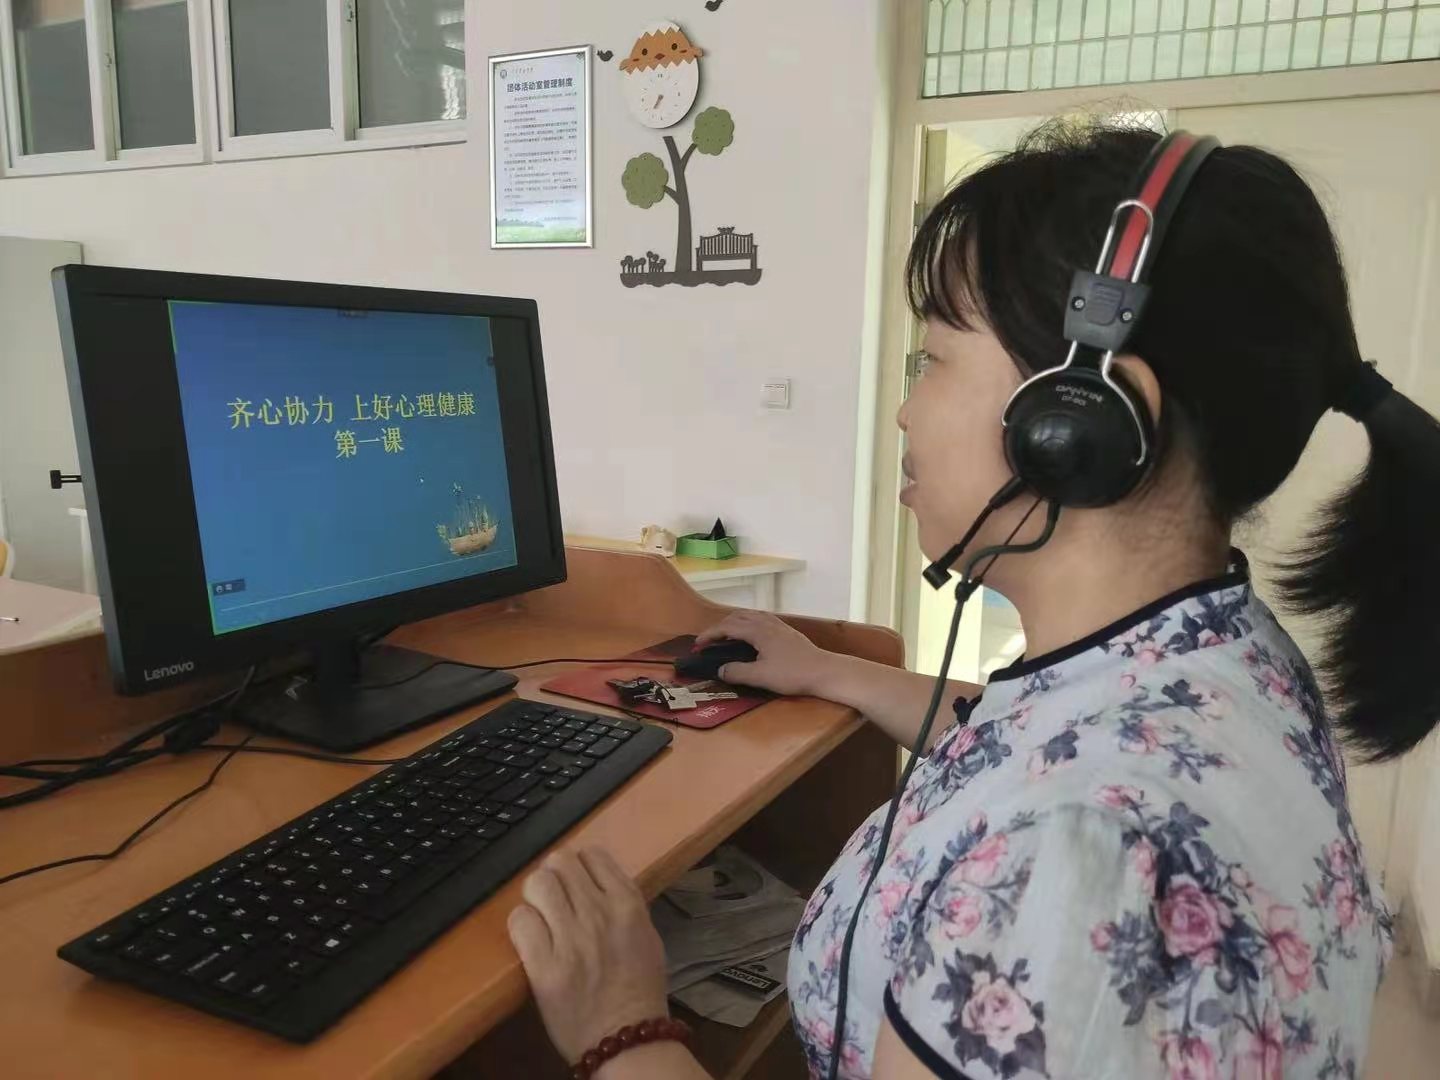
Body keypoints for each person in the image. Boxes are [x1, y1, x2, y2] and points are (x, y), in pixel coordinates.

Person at [506, 119, 1440, 1079]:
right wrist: (830, 672)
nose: (904, 409)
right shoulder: (1218, 653)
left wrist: (620, 1025)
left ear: (1082, 422)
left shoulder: (1073, 859)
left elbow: (1065, 801)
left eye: (934, 359)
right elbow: (1039, 735)